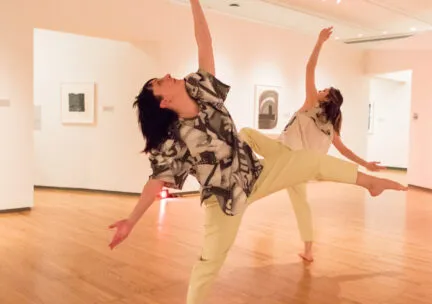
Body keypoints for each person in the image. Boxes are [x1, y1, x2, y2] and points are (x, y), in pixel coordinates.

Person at [108, 2, 407, 303]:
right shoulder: (174, 139)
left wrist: (194, 2)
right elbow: (156, 181)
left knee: (310, 161)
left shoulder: (204, 89)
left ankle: (369, 183)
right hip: (224, 201)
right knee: (209, 264)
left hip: (254, 174)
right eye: (161, 83)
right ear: (163, 101)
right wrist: (131, 221)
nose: (168, 75)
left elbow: (204, 40)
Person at [277, 26, 387, 263]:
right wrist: (366, 163)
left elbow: (309, 68)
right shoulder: (330, 124)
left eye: (324, 89)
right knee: (301, 205)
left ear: (326, 99)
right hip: (299, 167)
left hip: (281, 154)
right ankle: (308, 250)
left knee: (246, 136)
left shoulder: (310, 103)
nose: (319, 89)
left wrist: (319, 42)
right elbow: (344, 150)